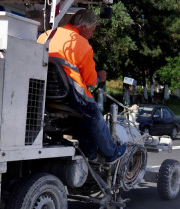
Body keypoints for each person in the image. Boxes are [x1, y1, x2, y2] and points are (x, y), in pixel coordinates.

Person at [37, 9, 126, 164]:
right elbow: (91, 82)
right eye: (92, 31)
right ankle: (110, 153)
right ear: (83, 27)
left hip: (44, 95)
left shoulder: (45, 36)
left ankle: (90, 152)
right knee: (93, 114)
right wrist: (100, 77)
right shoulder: (82, 45)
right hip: (71, 97)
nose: (92, 35)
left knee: (78, 118)